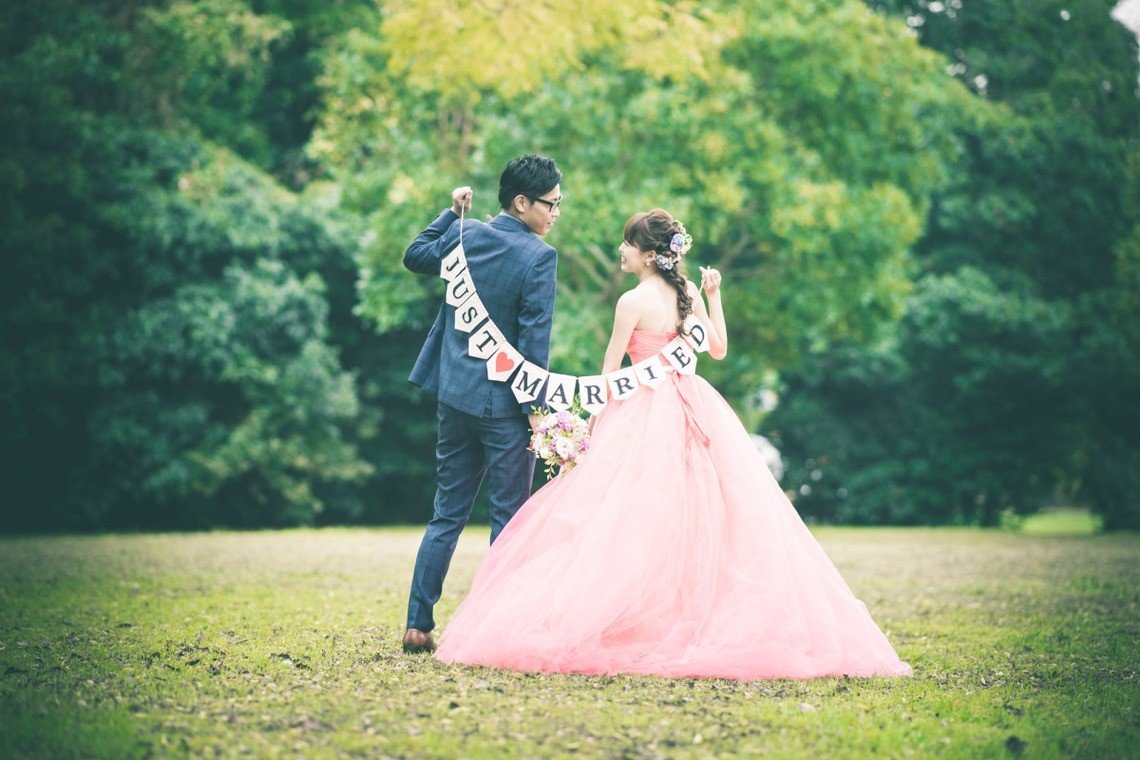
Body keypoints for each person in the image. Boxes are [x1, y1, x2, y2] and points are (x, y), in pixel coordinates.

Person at [433, 208, 912, 680]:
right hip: (694, 406)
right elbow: (718, 348)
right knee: (695, 517)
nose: (620, 250)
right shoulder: (687, 294)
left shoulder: (631, 302)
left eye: (626, 244)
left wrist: (588, 428)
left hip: (642, 411)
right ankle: (678, 614)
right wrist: (714, 295)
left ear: (646, 255)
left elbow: (608, 374)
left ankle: (633, 616)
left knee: (624, 517)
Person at [401, 155, 562, 653]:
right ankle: (495, 633)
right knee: (508, 521)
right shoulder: (538, 258)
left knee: (445, 515)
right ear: (522, 202)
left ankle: (417, 624)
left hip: (454, 399)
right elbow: (534, 343)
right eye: (552, 203)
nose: (557, 212)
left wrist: (451, 213)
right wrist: (536, 409)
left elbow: (416, 255)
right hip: (505, 411)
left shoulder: (466, 234)